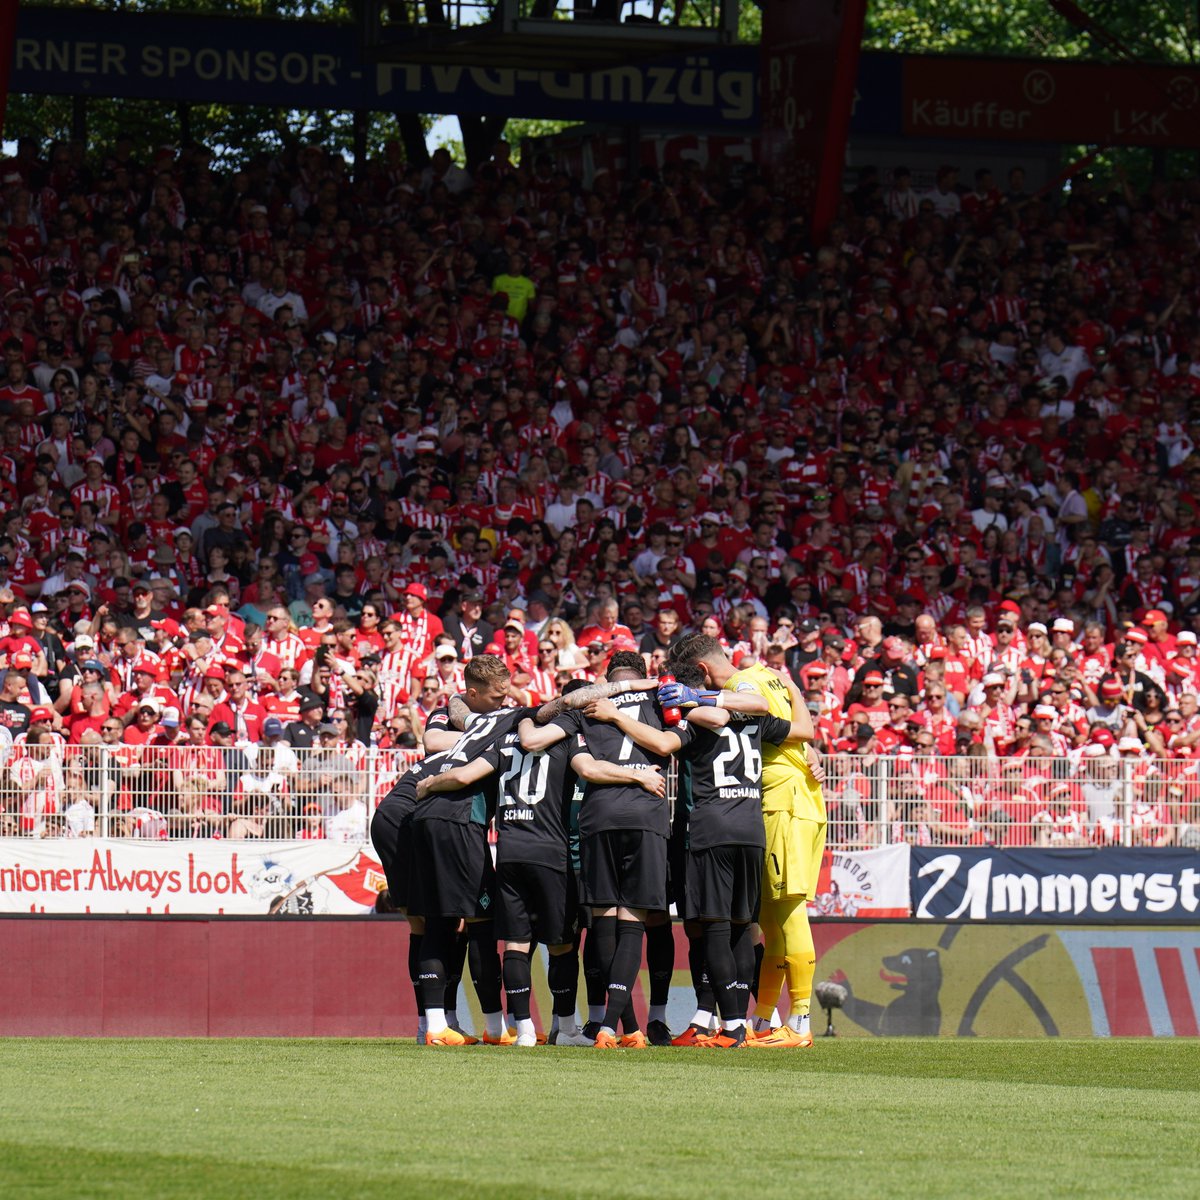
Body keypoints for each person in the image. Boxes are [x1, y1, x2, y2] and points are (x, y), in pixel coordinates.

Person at [417, 677, 666, 1045]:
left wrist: (430, 783)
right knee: (562, 945)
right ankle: (566, 1028)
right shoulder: (568, 737)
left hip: (509, 850)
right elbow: (589, 769)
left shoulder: (506, 739)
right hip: (551, 851)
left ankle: (524, 1030)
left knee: (515, 944)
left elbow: (466, 773)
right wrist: (637, 773)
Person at [662, 632, 824, 1047]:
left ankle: (789, 1021)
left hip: (755, 812)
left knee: (761, 919)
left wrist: (691, 699)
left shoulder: (735, 689)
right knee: (760, 922)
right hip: (761, 815)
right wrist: (795, 698)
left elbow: (742, 711)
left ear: (701, 671)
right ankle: (761, 1017)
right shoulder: (760, 686)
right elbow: (799, 729)